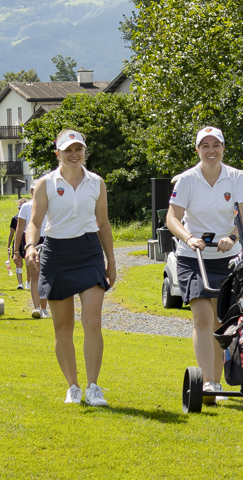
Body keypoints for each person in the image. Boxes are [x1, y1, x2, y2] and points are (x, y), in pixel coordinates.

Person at [25, 129, 116, 406]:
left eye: (79, 149)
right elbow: (35, 222)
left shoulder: (96, 183)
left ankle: (92, 387)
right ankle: (73, 387)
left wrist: (111, 261)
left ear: (85, 152)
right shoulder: (45, 184)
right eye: (68, 150)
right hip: (56, 254)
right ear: (58, 154)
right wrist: (30, 246)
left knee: (92, 322)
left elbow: (103, 223)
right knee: (63, 327)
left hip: (88, 252)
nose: (74, 154)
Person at [166, 126, 243, 405]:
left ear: (223, 148)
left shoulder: (235, 177)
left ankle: (217, 381)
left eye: (216, 145)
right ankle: (208, 383)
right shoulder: (187, 180)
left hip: (228, 257)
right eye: (205, 146)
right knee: (203, 318)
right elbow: (172, 218)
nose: (211, 150)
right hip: (194, 257)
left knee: (221, 321)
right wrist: (189, 238)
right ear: (197, 150)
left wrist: (233, 236)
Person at [15, 184, 49, 318]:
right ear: (31, 191)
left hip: (47, 239)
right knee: (35, 275)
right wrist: (16, 251)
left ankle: (44, 308)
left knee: (44, 275)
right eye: (35, 190)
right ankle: (37, 308)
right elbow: (19, 229)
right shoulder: (26, 207)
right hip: (31, 240)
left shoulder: (50, 205)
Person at [7, 198, 26, 288]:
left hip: (27, 241)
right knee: (18, 263)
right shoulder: (14, 219)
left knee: (29, 263)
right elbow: (11, 234)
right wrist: (8, 246)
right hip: (17, 242)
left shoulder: (29, 218)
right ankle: (20, 283)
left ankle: (28, 282)